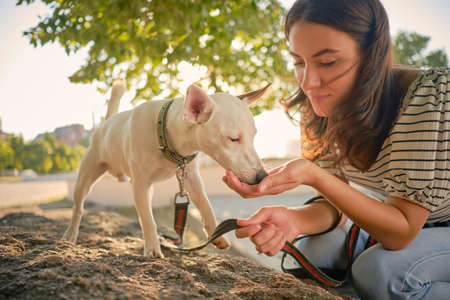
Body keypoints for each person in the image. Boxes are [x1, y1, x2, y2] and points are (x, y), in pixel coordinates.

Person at [222, 0, 450, 299]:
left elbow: (401, 231)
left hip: (423, 227)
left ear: (373, 55)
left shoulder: (428, 97)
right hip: (408, 227)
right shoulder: (318, 106)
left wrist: (313, 175)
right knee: (317, 249)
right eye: (299, 62)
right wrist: (294, 220)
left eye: (328, 62)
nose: (309, 83)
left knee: (382, 271)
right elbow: (338, 203)